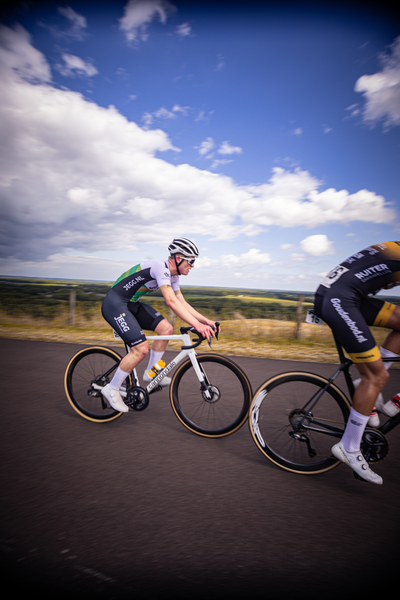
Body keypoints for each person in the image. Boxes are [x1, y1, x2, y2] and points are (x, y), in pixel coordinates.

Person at [313, 241, 400, 484]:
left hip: (344, 295)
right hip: (339, 300)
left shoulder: (394, 247)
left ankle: (367, 382)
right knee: (378, 377)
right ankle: (349, 448)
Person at [100, 238, 218, 413]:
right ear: (178, 258)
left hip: (130, 304)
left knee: (166, 329)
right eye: (191, 260)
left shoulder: (174, 275)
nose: (192, 265)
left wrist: (205, 322)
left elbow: (181, 302)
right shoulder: (159, 267)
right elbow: (170, 301)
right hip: (115, 304)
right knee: (140, 348)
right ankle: (112, 388)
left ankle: (151, 372)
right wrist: (198, 326)